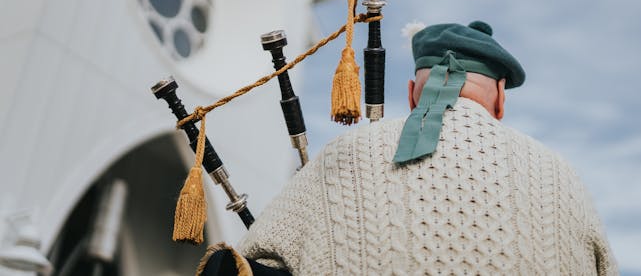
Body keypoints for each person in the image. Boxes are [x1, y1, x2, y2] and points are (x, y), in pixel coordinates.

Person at [207, 20, 617, 275]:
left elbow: (249, 263)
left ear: (411, 94)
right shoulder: (560, 175)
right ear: (501, 96)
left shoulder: (346, 154)